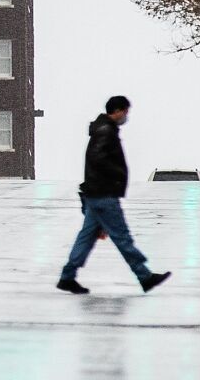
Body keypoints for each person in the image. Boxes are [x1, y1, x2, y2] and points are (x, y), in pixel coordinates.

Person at [57, 95, 170, 295]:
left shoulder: (102, 129)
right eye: (125, 111)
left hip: (95, 194)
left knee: (87, 236)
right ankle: (145, 276)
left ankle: (67, 277)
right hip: (104, 195)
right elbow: (98, 158)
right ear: (117, 111)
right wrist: (116, 175)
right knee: (122, 237)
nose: (126, 116)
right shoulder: (106, 131)